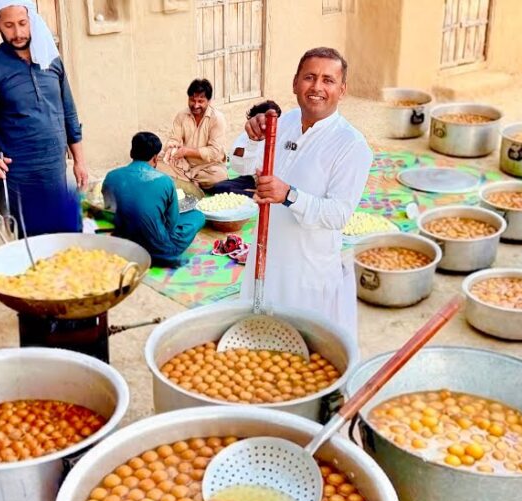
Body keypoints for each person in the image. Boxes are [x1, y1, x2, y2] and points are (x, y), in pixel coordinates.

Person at [241, 47, 373, 339]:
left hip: (307, 271)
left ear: (342, 89)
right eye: (309, 77)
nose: (317, 87)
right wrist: (250, 138)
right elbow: (238, 165)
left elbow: (338, 215)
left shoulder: (351, 145)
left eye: (328, 80)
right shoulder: (280, 123)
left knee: (303, 352)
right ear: (295, 83)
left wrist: (289, 195)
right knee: (257, 345)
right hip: (266, 256)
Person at [0, 0, 89, 236]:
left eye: (22, 23)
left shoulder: (51, 59)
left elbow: (69, 112)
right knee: (28, 239)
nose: (18, 33)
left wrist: (79, 161)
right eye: (9, 25)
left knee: (60, 233)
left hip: (54, 166)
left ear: (31, 19)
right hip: (17, 173)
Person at [102, 133, 206, 267]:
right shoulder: (165, 181)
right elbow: (171, 224)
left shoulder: (111, 176)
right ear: (156, 158)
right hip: (160, 251)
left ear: (131, 152)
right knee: (197, 216)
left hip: (124, 245)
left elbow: (109, 211)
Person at [157, 79, 228, 190]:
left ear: (209, 101)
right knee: (157, 162)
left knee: (219, 177)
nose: (195, 105)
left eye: (200, 101)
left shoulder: (217, 119)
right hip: (184, 164)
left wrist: (187, 151)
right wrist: (172, 146)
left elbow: (214, 152)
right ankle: (192, 183)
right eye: (192, 100)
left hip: (208, 167)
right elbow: (174, 138)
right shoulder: (181, 115)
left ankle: (184, 182)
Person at [206, 100, 282, 197]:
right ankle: (253, 192)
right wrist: (253, 143)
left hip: (274, 182)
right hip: (252, 178)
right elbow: (237, 158)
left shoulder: (282, 136)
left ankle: (254, 194)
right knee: (220, 187)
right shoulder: (248, 136)